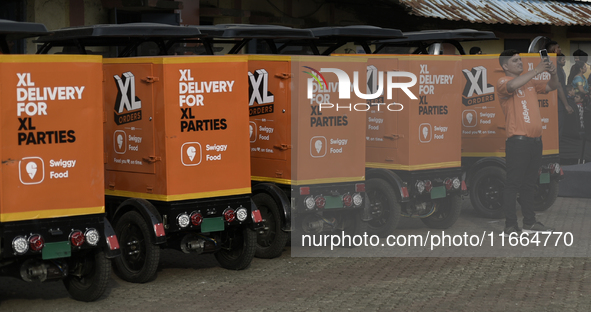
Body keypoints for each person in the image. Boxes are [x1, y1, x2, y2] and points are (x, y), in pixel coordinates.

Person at [497, 49, 558, 235]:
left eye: (520, 60)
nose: (520, 63)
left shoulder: (530, 81)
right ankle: (510, 225)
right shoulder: (503, 81)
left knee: (529, 184)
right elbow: (512, 85)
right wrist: (537, 70)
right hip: (518, 141)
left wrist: (553, 74)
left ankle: (530, 222)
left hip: (535, 141)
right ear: (505, 66)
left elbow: (551, 86)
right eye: (515, 61)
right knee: (513, 184)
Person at [545, 41, 573, 138]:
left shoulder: (549, 64)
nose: (560, 49)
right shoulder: (554, 66)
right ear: (553, 50)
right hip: (557, 103)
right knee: (557, 128)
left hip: (551, 103)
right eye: (558, 47)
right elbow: (559, 86)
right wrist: (566, 105)